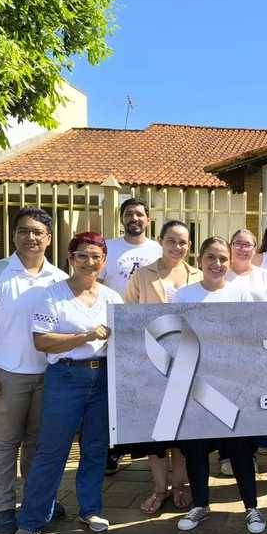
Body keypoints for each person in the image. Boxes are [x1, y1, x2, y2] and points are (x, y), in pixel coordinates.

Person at [6, 232, 123, 534]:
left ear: (104, 261)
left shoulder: (112, 297)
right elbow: (41, 341)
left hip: (102, 379)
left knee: (96, 449)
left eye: (96, 256)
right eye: (82, 256)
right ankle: (31, 522)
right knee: (52, 451)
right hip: (66, 377)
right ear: (71, 258)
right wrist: (84, 337)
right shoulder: (52, 295)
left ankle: (91, 510)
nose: (89, 262)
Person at [0, 207, 69, 534]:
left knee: (38, 445)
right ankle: (2, 509)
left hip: (48, 374)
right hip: (6, 374)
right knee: (4, 443)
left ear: (49, 239)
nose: (31, 237)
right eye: (24, 231)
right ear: (14, 236)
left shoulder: (59, 279)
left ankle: (37, 503)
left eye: (38, 232)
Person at [173, 237, 266, 534]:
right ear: (200, 260)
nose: (217, 264)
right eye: (211, 258)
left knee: (239, 449)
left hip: (231, 388)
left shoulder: (242, 294)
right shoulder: (183, 295)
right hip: (194, 386)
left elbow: (252, 340)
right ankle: (200, 504)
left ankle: (251, 507)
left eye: (223, 259)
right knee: (196, 449)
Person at [124, 219, 203, 514]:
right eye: (171, 240)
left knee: (183, 430)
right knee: (156, 432)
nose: (177, 246)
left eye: (183, 242)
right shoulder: (143, 275)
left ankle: (180, 485)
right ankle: (159, 489)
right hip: (152, 362)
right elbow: (129, 317)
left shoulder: (197, 274)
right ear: (160, 241)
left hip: (188, 363)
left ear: (189, 246)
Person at [100, 197, 162, 475]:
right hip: (115, 329)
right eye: (129, 214)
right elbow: (96, 285)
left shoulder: (158, 250)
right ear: (121, 218)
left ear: (148, 219)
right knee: (115, 393)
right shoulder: (108, 249)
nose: (134, 219)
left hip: (151, 332)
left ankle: (150, 447)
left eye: (139, 214)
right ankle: (113, 451)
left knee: (147, 391)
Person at [227, 228, 267, 457]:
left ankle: (256, 446)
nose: (242, 248)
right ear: (231, 246)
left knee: (254, 400)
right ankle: (227, 455)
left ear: (255, 248)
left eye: (247, 244)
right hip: (227, 349)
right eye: (238, 243)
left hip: (259, 348)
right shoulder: (221, 273)